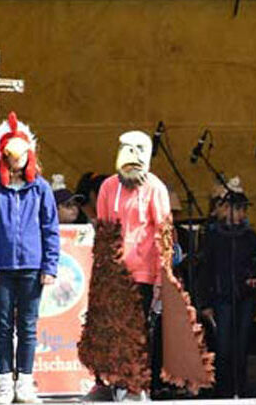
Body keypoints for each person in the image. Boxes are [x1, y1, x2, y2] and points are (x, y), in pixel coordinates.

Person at [0, 113, 60, 404]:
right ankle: (3, 385)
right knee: (3, 327)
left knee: (27, 326)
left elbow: (51, 229)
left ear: (29, 154)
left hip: (32, 269)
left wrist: (49, 266)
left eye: (22, 155)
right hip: (1, 269)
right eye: (12, 155)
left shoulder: (42, 188)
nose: (18, 160)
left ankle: (24, 383)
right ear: (4, 157)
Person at [95, 130, 173, 400]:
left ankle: (137, 387)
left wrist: (163, 279)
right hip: (114, 273)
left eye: (140, 150)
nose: (133, 156)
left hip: (145, 273)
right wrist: (102, 274)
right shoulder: (107, 187)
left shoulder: (156, 188)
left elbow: (163, 234)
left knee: (139, 332)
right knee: (114, 329)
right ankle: (116, 383)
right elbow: (103, 231)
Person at [199, 188, 256, 399]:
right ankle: (224, 392)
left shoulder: (250, 235)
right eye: (237, 209)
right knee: (223, 346)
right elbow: (205, 270)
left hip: (245, 297)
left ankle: (241, 390)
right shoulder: (213, 236)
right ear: (226, 209)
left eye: (243, 210)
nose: (241, 215)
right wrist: (205, 303)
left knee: (242, 345)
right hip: (221, 298)